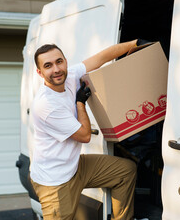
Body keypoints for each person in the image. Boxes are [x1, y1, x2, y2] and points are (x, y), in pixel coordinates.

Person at [30, 40, 139, 220]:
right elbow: (85, 135)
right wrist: (80, 103)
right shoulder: (46, 105)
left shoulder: (70, 74)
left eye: (59, 62)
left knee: (125, 171)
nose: (56, 69)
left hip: (74, 166)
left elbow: (102, 57)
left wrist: (135, 43)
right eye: (48, 66)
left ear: (65, 61)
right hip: (55, 182)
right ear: (40, 73)